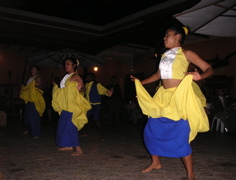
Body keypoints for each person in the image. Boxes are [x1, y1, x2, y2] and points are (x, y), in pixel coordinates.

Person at [131, 24, 214, 180]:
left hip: (179, 98)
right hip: (163, 97)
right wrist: (140, 83)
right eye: (164, 36)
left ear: (178, 37)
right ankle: (156, 162)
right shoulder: (164, 56)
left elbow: (209, 68)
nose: (164, 38)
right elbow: (158, 75)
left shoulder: (187, 53)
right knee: (151, 130)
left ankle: (190, 175)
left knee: (180, 135)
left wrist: (200, 76)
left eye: (167, 35)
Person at [52, 57, 91, 156]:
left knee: (71, 127)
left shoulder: (76, 76)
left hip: (72, 106)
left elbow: (83, 89)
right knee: (62, 126)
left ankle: (78, 149)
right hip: (66, 105)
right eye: (65, 64)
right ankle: (68, 145)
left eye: (68, 64)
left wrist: (80, 88)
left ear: (74, 66)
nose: (66, 66)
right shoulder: (66, 76)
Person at [83, 72, 113, 140]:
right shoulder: (86, 85)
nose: (87, 78)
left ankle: (103, 135)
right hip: (89, 105)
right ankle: (83, 132)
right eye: (86, 77)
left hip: (96, 105)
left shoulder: (97, 85)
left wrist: (108, 92)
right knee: (84, 118)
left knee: (96, 119)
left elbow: (104, 91)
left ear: (92, 78)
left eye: (88, 77)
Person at [20, 65, 46, 139]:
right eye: (31, 69)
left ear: (37, 71)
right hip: (29, 99)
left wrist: (35, 87)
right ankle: (28, 129)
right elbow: (28, 88)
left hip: (34, 99)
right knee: (26, 117)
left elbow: (41, 86)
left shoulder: (38, 77)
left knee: (33, 116)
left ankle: (36, 133)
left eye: (34, 69)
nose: (32, 70)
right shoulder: (30, 78)